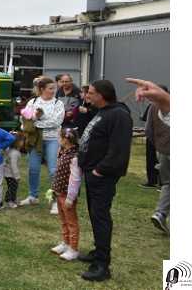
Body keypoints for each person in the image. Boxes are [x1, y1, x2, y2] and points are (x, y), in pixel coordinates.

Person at [77, 80, 133, 282]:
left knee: (100, 216)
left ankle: (102, 265)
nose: (87, 96)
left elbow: (119, 149)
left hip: (102, 175)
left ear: (102, 95)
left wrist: (100, 170)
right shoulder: (102, 111)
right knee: (94, 214)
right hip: (91, 172)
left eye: (91, 93)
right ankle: (98, 251)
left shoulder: (119, 115)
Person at [19, 77, 65, 216]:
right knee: (33, 169)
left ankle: (55, 201)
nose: (53, 91)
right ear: (42, 89)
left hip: (53, 140)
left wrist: (36, 122)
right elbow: (24, 121)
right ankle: (33, 196)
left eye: (54, 88)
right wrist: (30, 123)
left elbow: (56, 122)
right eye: (50, 88)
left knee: (53, 170)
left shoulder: (58, 103)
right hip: (35, 141)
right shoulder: (32, 102)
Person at [50, 128, 83, 261]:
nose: (58, 140)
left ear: (66, 139)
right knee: (63, 220)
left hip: (67, 195)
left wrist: (70, 197)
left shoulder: (74, 157)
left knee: (71, 222)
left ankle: (73, 249)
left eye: (60, 137)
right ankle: (66, 243)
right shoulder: (63, 152)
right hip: (59, 193)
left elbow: (75, 179)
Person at [147, 84, 170, 235]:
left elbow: (149, 130)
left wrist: (158, 146)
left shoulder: (153, 108)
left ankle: (160, 212)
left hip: (163, 150)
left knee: (168, 183)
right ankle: (161, 213)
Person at [139, 104, 160, 189]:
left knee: (153, 159)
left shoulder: (153, 106)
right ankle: (158, 182)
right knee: (157, 159)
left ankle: (154, 181)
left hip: (155, 137)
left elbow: (145, 119)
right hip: (160, 137)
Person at [3, 135, 24, 209]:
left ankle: (13, 199)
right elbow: (13, 165)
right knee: (12, 187)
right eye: (21, 141)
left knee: (13, 187)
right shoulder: (15, 153)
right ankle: (9, 201)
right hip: (10, 174)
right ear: (17, 143)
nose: (23, 142)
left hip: (7, 173)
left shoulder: (9, 150)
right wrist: (17, 176)